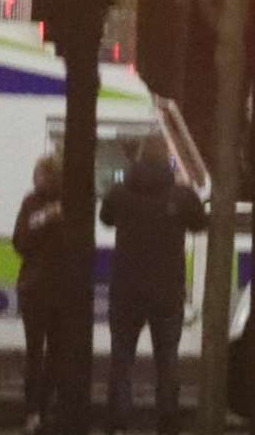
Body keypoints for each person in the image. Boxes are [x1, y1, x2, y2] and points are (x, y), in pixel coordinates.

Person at [101, 139, 206, 435]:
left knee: (121, 360)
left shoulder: (120, 192)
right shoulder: (181, 196)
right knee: (167, 361)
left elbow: (106, 218)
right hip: (167, 292)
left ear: (138, 160)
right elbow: (201, 223)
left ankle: (119, 424)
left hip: (126, 291)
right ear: (167, 162)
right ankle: (168, 423)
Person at [13, 154, 65, 435]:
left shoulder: (61, 204)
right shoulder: (32, 203)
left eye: (39, 174)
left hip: (45, 288)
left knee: (49, 353)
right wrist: (45, 218)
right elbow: (19, 241)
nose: (35, 179)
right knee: (39, 352)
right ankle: (35, 412)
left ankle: (39, 410)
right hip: (40, 290)